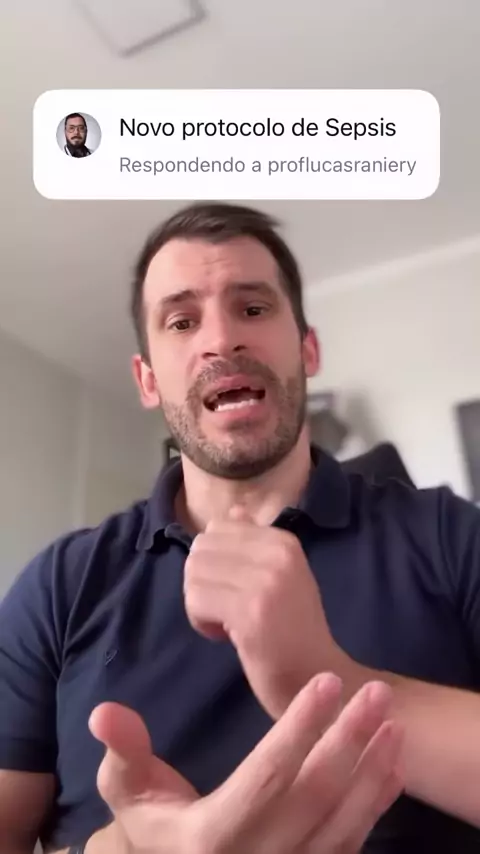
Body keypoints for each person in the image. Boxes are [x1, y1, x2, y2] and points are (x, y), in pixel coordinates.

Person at [1, 204, 480, 853]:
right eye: (181, 321)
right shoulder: (57, 586)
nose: (222, 340)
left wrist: (325, 677)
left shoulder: (451, 536)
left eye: (252, 308)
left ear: (307, 349)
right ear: (148, 380)